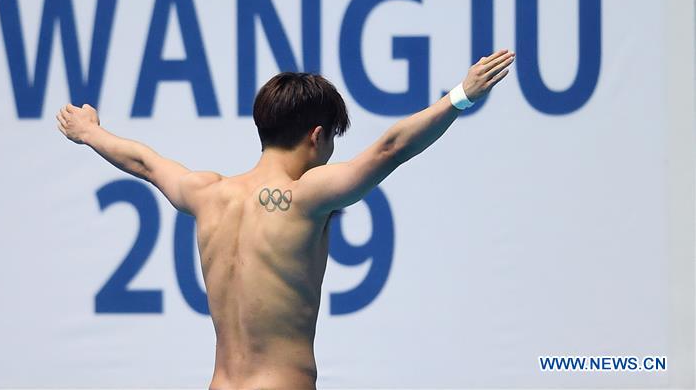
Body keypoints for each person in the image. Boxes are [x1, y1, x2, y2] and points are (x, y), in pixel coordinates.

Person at [57, 49, 515, 389]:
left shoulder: (206, 193)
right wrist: (460, 96)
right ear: (317, 136)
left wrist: (91, 132)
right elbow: (391, 148)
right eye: (332, 140)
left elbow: (144, 162)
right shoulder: (304, 196)